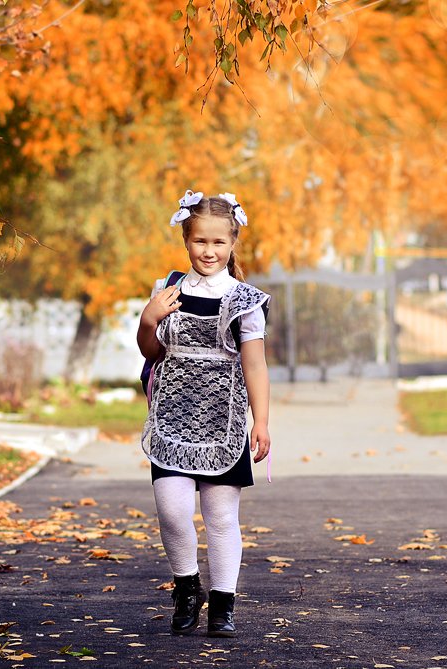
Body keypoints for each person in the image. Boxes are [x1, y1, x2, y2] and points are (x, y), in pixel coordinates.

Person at [137, 189, 272, 638]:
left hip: (224, 420)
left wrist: (262, 422)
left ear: (233, 242)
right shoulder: (167, 290)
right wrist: (148, 319)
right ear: (186, 239)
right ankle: (187, 587)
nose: (208, 251)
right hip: (172, 415)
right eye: (199, 241)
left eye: (218, 242)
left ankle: (223, 605)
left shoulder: (245, 301)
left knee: (220, 518)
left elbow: (254, 365)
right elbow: (151, 353)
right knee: (172, 510)